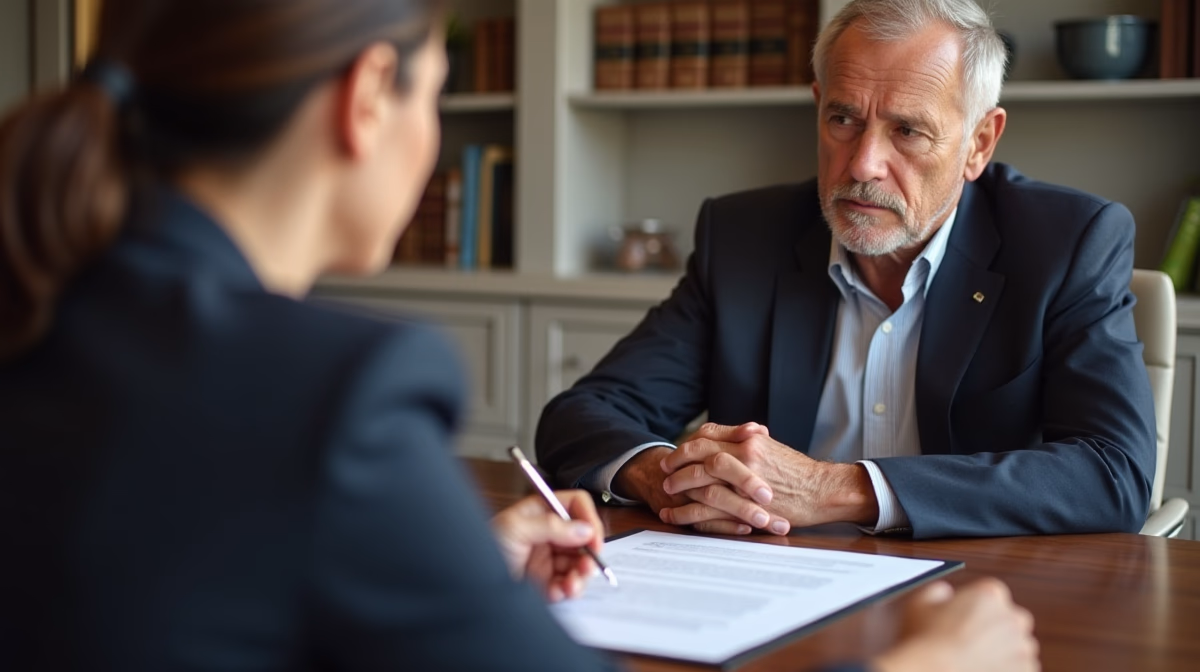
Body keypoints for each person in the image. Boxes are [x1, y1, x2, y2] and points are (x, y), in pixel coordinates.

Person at [0, 1, 1037, 670]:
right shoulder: (331, 392)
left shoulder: (52, 306)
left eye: (907, 132)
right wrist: (922, 670)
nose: (862, 164)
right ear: (369, 99)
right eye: (438, 95)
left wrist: (448, 573)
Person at [537, 0, 1156, 541]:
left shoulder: (1068, 242)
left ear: (979, 144)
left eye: (908, 130)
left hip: (974, 595)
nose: (862, 163)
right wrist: (668, 479)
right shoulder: (744, 238)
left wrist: (836, 489)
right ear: (817, 106)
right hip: (773, 581)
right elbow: (584, 414)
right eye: (843, 119)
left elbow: (1112, 473)